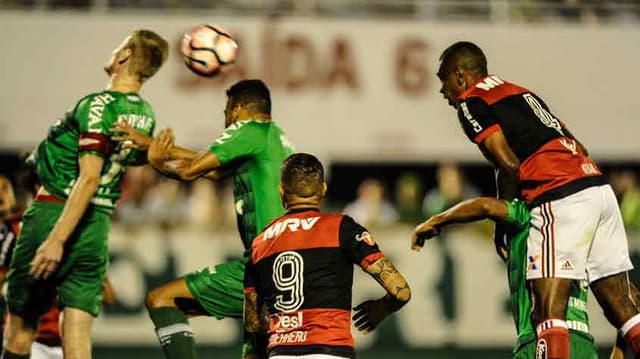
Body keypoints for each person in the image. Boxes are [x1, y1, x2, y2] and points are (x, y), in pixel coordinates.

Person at [436, 41, 640, 358]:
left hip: (559, 195)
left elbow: (508, 163)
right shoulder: (519, 92)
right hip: (597, 187)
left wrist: (503, 224)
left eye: (443, 80)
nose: (442, 91)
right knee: (624, 308)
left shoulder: (471, 101)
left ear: (460, 76)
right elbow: (578, 145)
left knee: (547, 310)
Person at [2, 30, 168, 359]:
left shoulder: (97, 105)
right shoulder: (145, 114)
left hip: (55, 212)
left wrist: (57, 239)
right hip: (97, 225)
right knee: (77, 337)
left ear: (123, 58)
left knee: (20, 329)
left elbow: (89, 178)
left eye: (118, 45)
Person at [113, 79, 294, 359]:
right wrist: (150, 143)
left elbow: (191, 170)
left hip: (264, 267)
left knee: (162, 299)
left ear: (238, 110)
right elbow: (211, 168)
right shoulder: (273, 137)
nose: (224, 119)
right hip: (287, 266)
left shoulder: (247, 129)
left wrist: (157, 162)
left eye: (225, 112)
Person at [244, 153, 411, 358]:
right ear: (323, 188)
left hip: (281, 352)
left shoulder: (260, 243)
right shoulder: (341, 229)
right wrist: (382, 308)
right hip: (330, 350)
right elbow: (401, 291)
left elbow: (253, 322)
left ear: (282, 192)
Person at [412, 196, 597, 358]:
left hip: (540, 339)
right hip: (584, 343)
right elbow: (620, 294)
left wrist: (435, 221)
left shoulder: (532, 214)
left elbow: (485, 207)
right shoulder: (584, 227)